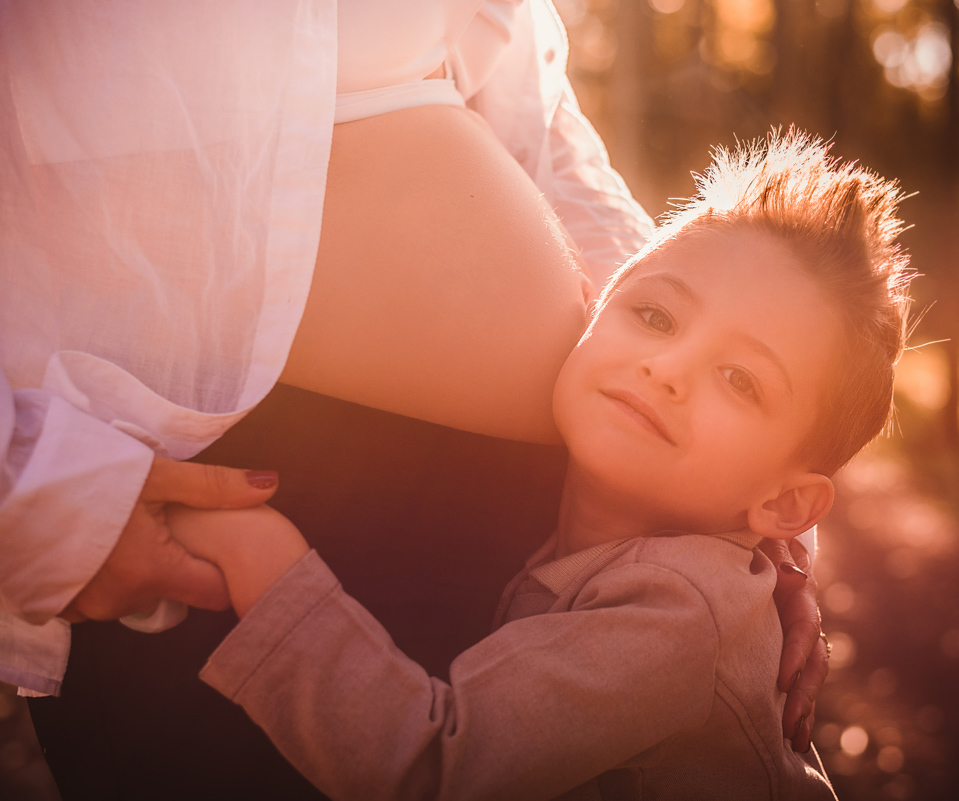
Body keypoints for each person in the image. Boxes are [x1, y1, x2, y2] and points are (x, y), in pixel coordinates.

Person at [2, 1, 827, 795]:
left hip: (535, 528)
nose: (670, 367)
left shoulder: (682, 595)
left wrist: (739, 513)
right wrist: (32, 490)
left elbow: (540, 130)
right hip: (218, 492)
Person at [163, 132, 912, 800]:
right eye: (654, 315)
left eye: (741, 379)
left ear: (786, 508)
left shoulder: (682, 615)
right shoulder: (612, 544)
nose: (667, 366)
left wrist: (261, 558)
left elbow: (432, 770)